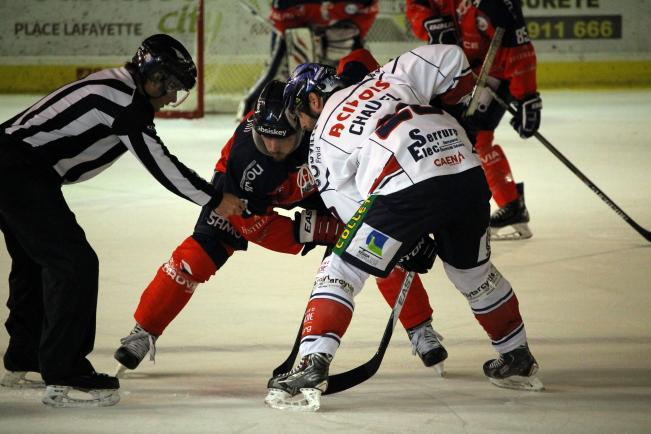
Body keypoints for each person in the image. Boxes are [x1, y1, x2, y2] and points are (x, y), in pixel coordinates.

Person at [265, 44, 543, 412]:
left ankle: (312, 363)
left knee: (341, 267)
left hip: (405, 188)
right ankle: (516, 355)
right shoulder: (386, 76)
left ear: (314, 101)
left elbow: (350, 210)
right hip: (466, 171)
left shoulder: (321, 140)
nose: (301, 124)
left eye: (298, 114)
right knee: (473, 273)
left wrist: (405, 245)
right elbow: (451, 58)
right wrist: (458, 106)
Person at [113, 74, 447, 380]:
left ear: (301, 123)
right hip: (248, 193)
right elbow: (254, 226)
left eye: (281, 139)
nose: (272, 148)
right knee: (197, 256)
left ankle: (420, 326)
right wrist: (323, 230)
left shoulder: (326, 126)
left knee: (377, 244)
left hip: (323, 183)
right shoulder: (247, 160)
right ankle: (144, 331)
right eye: (265, 138)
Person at [0, 34, 243, 408]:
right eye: (171, 85)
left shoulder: (118, 86)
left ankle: (25, 358)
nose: (172, 97)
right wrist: (215, 200)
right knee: (74, 264)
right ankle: (64, 372)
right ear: (153, 75)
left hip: (15, 165)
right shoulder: (126, 102)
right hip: (18, 169)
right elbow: (161, 165)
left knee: (36, 262)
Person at [406, 0, 542, 240]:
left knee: (474, 139)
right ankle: (507, 205)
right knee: (449, 135)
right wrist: (429, 22)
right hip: (459, 70)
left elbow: (518, 49)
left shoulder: (495, 5)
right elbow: (418, 5)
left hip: (491, 73)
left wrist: (526, 96)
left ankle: (506, 205)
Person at [237, 0, 379, 120]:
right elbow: (282, 16)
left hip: (340, 30)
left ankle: (367, 107)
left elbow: (365, 13)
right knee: (281, 73)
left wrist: (345, 29)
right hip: (299, 27)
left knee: (355, 69)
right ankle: (251, 112)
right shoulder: (287, 5)